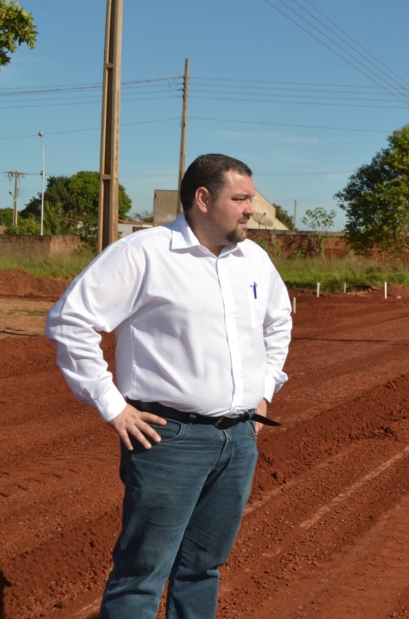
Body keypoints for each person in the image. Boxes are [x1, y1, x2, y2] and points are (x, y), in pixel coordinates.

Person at [46, 154, 292, 618]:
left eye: (250, 200)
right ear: (203, 198)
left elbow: (279, 324)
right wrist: (111, 404)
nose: (251, 210)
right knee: (141, 575)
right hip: (169, 439)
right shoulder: (144, 253)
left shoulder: (254, 260)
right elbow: (70, 321)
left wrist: (263, 392)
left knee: (203, 568)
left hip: (239, 439)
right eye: (240, 199)